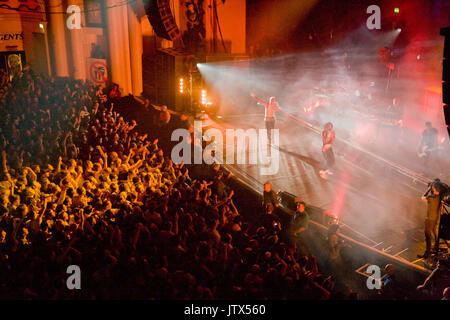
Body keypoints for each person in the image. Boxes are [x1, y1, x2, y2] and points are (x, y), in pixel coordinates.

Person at [418, 179, 443, 259]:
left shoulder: (431, 197)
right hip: (436, 219)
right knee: (434, 236)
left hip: (429, 219)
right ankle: (433, 251)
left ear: (434, 188)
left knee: (427, 236)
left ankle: (427, 253)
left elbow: (422, 197)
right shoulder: (440, 197)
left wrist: (428, 189)